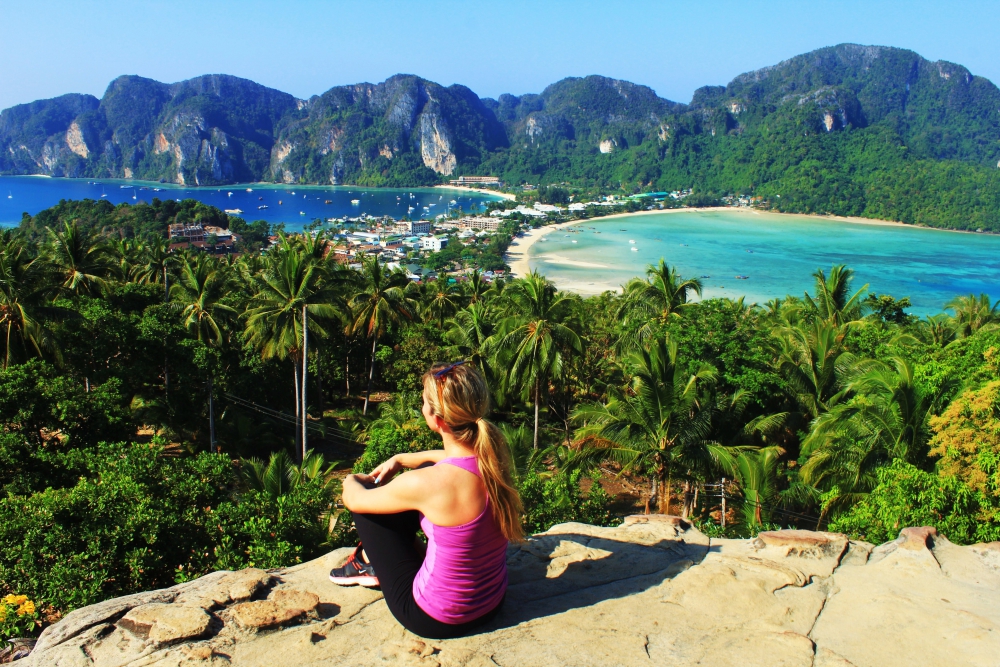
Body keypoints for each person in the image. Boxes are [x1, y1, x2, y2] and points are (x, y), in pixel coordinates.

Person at [331, 361, 523, 639]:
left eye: (423, 402)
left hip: (434, 618)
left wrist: (352, 480)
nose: (422, 408)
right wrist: (400, 460)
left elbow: (354, 500)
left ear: (437, 419)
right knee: (421, 470)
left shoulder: (428, 485)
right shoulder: (493, 461)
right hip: (491, 603)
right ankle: (379, 559)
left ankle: (365, 562)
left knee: (368, 506)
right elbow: (448, 458)